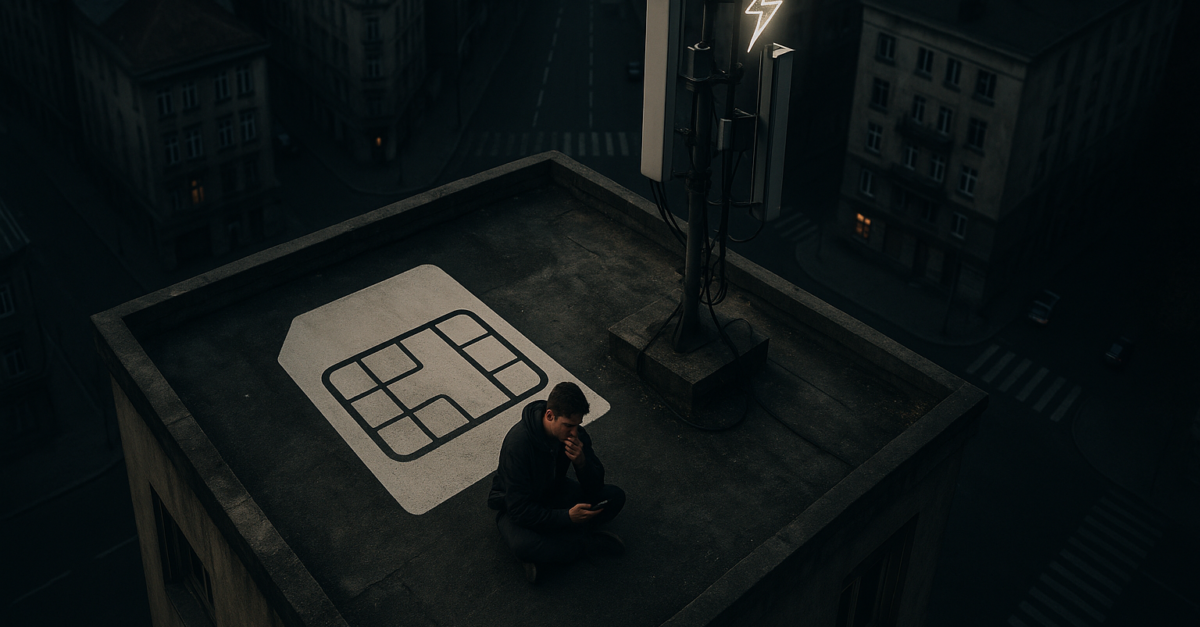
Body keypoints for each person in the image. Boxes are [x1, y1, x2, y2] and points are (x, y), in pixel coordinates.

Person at [488, 381, 626, 582]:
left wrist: (581, 463)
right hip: (515, 507)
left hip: (554, 491)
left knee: (614, 497)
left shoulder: (575, 434)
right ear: (550, 415)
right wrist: (567, 517)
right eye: (568, 425)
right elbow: (519, 510)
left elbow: (596, 487)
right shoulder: (518, 445)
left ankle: (553, 551)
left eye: (577, 425)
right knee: (525, 546)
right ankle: (586, 543)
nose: (574, 432)